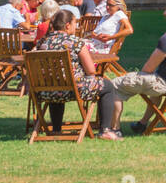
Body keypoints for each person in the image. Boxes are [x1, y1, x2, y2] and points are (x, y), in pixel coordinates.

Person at [109, 0, 166, 136]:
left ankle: (114, 130)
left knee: (113, 85)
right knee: (154, 81)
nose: (164, 13)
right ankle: (143, 124)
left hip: (165, 84)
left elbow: (147, 69)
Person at [34, 8, 120, 138]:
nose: (76, 26)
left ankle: (57, 129)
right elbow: (91, 70)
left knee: (56, 82)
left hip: (46, 91)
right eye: (75, 23)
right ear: (67, 25)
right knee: (107, 86)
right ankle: (105, 130)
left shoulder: (42, 43)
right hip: (74, 90)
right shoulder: (75, 42)